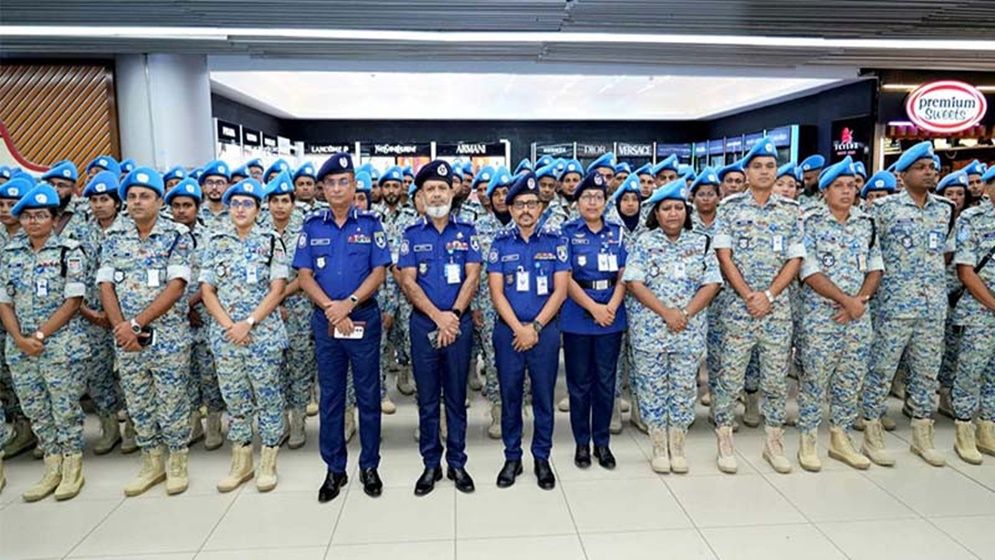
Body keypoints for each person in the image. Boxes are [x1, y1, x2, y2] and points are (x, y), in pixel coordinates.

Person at [293, 153, 391, 503]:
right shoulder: (311, 227)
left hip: (362, 317)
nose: (337, 188)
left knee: (368, 395)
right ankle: (334, 468)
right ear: (322, 189)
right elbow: (304, 276)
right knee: (331, 398)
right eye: (330, 183)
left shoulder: (370, 225)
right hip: (326, 322)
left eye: (344, 181)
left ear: (354, 186)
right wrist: (331, 310)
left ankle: (369, 465)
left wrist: (347, 305)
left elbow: (379, 272)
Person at [97, 167, 195, 497]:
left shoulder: (177, 235)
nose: (137, 202)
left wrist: (136, 323)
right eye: (132, 196)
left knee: (172, 400)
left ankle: (177, 461)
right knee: (139, 402)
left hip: (166, 337)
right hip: (126, 338)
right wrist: (121, 329)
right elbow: (105, 285)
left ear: (159, 200)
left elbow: (177, 286)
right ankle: (151, 460)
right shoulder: (114, 237)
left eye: (145, 196)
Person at [712, 137, 804, 475]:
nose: (764, 172)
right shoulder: (731, 208)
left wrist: (768, 295)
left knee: (776, 378)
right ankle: (724, 437)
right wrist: (749, 294)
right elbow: (724, 256)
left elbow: (796, 258)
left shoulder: (792, 211)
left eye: (770, 167)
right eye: (758, 166)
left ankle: (773, 441)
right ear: (746, 172)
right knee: (730, 375)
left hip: (776, 310)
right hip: (738, 308)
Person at [860, 141, 953, 467]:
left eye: (933, 167)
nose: (930, 173)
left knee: (927, 373)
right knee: (881, 370)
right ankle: (871, 431)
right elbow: (869, 254)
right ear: (902, 174)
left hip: (932, 307)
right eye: (922, 168)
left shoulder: (944, 208)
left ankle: (921, 435)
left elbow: (945, 253)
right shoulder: (884, 210)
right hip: (893, 306)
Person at [625, 179, 722, 473]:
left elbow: (712, 282)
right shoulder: (644, 242)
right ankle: (658, 444)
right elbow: (633, 282)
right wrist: (667, 312)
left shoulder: (700, 242)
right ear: (656, 213)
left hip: (687, 331)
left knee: (682, 388)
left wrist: (685, 313)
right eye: (666, 208)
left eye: (678, 208)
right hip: (651, 329)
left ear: (686, 211)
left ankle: (677, 444)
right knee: (652, 387)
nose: (673, 214)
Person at [0, 183, 88, 501]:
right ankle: (52, 465)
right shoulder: (10, 253)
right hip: (21, 348)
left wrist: (38, 336)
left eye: (41, 215)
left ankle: (72, 467)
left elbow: (74, 300)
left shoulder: (69, 251)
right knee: (36, 409)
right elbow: (4, 301)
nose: (33, 221)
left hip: (58, 345)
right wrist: (19, 339)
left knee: (64, 408)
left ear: (54, 218)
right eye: (28, 216)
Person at [397, 160, 481, 495]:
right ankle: (431, 464)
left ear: (453, 192)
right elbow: (407, 282)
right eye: (429, 189)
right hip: (424, 326)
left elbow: (473, 276)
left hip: (458, 325)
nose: (436, 194)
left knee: (457, 397)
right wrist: (438, 317)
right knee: (428, 398)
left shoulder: (468, 233)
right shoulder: (411, 235)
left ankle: (457, 463)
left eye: (441, 188)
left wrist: (454, 314)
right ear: (420, 196)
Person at [200, 178, 288, 493]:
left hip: (261, 335)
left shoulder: (271, 241)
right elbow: (207, 290)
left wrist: (248, 323)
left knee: (267, 397)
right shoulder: (214, 241)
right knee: (235, 400)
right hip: (227, 338)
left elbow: (277, 289)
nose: (240, 209)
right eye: (235, 203)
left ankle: (268, 459)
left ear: (258, 209)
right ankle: (241, 461)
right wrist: (229, 326)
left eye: (247, 203)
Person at [795, 157, 880, 471]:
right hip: (822, 317)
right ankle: (808, 438)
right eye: (839, 186)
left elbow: (875, 267)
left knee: (851, 378)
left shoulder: (866, 223)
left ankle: (840, 437)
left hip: (858, 316)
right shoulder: (810, 222)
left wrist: (860, 300)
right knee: (815, 379)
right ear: (825, 191)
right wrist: (846, 301)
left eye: (851, 185)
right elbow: (809, 270)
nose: (847, 191)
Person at [487, 172, 569, 490]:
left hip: (544, 332)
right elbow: (496, 294)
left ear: (540, 208)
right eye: (519, 204)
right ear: (510, 208)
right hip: (508, 332)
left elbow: (560, 291)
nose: (525, 210)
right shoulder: (500, 243)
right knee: (510, 396)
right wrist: (518, 329)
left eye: (532, 204)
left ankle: (541, 457)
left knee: (543, 397)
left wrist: (534, 327)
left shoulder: (555, 242)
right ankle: (512, 456)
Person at [560, 171, 628, 469]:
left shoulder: (618, 232)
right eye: (586, 196)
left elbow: (625, 275)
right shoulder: (565, 233)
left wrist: (610, 306)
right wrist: (593, 307)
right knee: (579, 384)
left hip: (610, 316)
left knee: (605, 382)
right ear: (577, 202)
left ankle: (602, 442)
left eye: (598, 197)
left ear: (605, 201)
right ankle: (581, 443)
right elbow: (565, 278)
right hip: (577, 315)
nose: (592, 202)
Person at [165, 178, 225, 451]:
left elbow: (211, 278)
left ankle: (213, 423)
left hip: (206, 312)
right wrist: (181, 308)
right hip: (172, 317)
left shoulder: (211, 237)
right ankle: (193, 422)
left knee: (209, 371)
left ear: (197, 207)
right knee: (183, 373)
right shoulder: (164, 237)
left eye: (187, 205)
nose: (181, 211)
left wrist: (190, 303)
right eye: (176, 205)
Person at [265, 171, 316, 449]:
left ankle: (298, 422)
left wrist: (280, 295)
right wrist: (273, 301)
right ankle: (279, 421)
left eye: (285, 200)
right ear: (268, 203)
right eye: (275, 200)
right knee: (274, 368)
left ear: (293, 203)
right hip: (267, 313)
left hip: (299, 309)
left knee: (299, 365)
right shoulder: (259, 230)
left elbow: (309, 271)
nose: (280, 206)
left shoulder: (306, 229)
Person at [79, 172, 129, 455]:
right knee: (98, 374)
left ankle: (133, 425)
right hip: (92, 317)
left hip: (126, 317)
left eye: (104, 199)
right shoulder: (81, 233)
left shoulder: (127, 229)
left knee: (126, 374)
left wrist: (118, 317)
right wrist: (87, 311)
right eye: (94, 200)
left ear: (116, 202)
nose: (99, 205)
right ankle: (109, 427)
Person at [950, 164, 995, 463]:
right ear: (989, 188)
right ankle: (964, 428)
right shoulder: (972, 219)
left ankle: (987, 425)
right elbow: (965, 271)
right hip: (979, 311)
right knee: (970, 370)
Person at [198, 160, 231, 231]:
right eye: (210, 182)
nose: (214, 187)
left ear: (228, 186)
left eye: (219, 183)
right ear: (203, 186)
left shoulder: (235, 213)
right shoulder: (196, 213)